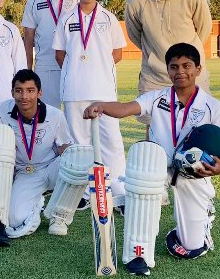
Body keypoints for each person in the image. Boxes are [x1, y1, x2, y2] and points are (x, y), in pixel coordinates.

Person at [83, 43, 220, 276]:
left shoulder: (212, 106)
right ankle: (138, 253)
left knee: (191, 246)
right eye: (174, 67)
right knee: (145, 164)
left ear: (198, 69)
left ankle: (200, 224)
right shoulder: (157, 98)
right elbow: (126, 108)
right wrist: (101, 106)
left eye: (187, 66)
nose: (180, 72)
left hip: (193, 172)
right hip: (158, 167)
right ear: (168, 70)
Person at [52, 0, 126, 209]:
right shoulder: (67, 18)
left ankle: (117, 190)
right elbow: (60, 55)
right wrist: (79, 70)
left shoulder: (108, 18)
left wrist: (96, 68)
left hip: (104, 91)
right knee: (79, 141)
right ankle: (83, 191)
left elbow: (117, 53)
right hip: (74, 91)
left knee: (111, 140)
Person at [125, 0, 212, 126]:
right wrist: (156, 56)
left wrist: (186, 58)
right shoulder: (135, 1)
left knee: (199, 125)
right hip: (155, 77)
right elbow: (135, 35)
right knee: (153, 125)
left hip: (191, 74)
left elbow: (204, 28)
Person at [0, 69, 73, 241]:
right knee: (14, 219)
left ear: (39, 93)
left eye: (30, 91)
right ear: (12, 92)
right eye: (19, 90)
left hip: (50, 167)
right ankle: (37, 202)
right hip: (26, 173)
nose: (24, 96)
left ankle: (60, 218)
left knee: (77, 162)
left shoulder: (55, 115)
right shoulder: (2, 111)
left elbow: (64, 145)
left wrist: (74, 159)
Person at [22, 0, 79, 108]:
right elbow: (28, 40)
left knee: (74, 117)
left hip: (72, 63)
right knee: (47, 117)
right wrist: (28, 70)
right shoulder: (33, 2)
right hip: (44, 65)